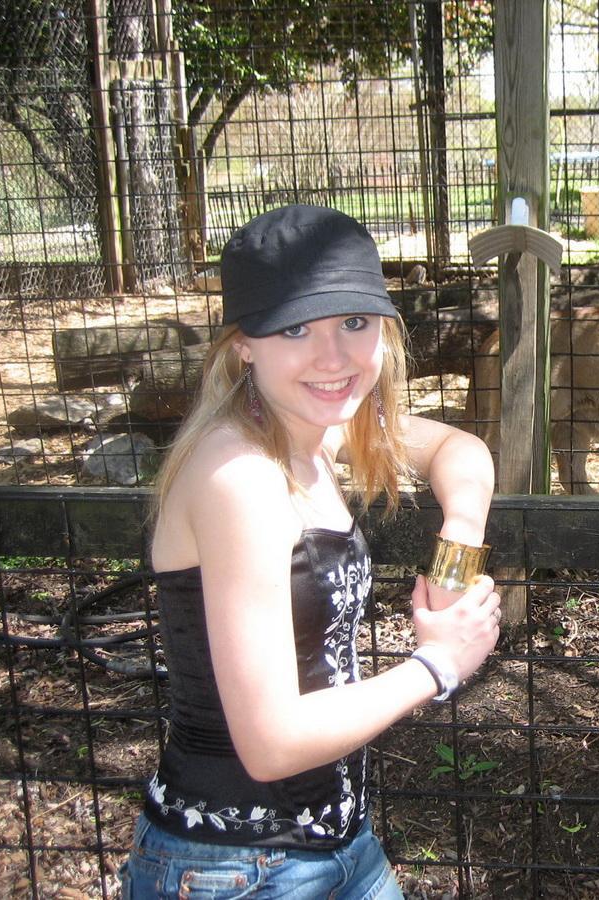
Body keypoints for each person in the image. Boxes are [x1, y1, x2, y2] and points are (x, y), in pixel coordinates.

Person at [120, 204, 501, 899]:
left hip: (336, 848)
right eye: (296, 328)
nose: (333, 357)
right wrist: (439, 663)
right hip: (235, 869)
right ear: (243, 344)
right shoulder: (241, 476)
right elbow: (270, 743)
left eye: (354, 322)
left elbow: (459, 448)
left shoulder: (312, 428)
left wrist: (460, 543)